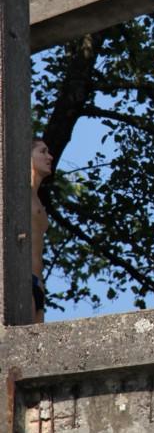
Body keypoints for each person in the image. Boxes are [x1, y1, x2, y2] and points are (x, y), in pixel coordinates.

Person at [31, 138, 53, 322]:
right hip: (17, 278)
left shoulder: (38, 202)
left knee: (34, 337)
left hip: (38, 284)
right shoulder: (13, 193)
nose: (50, 157)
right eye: (43, 151)